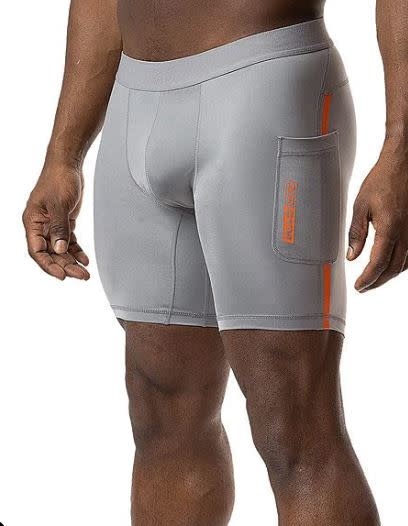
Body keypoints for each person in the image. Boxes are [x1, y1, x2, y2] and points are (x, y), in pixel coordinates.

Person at [22, 0, 408, 524]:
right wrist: (62, 155)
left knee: (293, 422)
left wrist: (401, 149)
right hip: (133, 99)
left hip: (267, 80)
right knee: (162, 411)